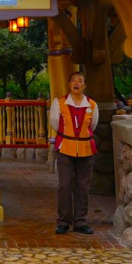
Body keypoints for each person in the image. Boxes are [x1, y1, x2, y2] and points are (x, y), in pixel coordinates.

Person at [49, 70, 99, 235]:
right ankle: (63, 221)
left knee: (83, 186)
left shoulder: (92, 105)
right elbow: (55, 123)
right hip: (65, 147)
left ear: (84, 85)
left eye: (80, 80)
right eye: (73, 80)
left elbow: (92, 125)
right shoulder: (59, 103)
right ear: (69, 84)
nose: (77, 83)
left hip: (86, 149)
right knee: (65, 185)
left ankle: (80, 222)